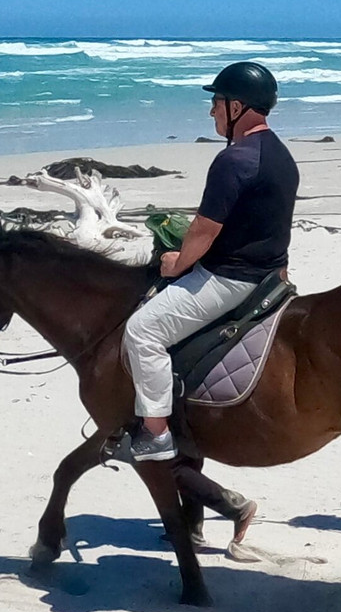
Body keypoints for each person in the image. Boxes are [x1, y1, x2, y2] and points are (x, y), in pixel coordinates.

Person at [123, 61, 300, 462]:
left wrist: (177, 263)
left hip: (230, 278)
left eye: (217, 102)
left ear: (237, 106)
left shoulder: (234, 160)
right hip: (270, 275)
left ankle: (155, 433)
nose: (212, 111)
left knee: (142, 331)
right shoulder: (281, 155)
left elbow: (204, 229)